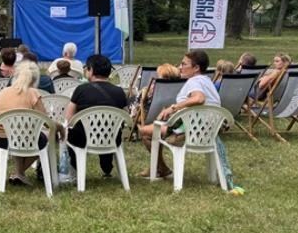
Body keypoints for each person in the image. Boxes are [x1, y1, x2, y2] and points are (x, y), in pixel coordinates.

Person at [139, 50, 220, 179]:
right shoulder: (207, 82)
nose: (180, 67)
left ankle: (161, 167)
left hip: (188, 132)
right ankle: (158, 167)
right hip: (208, 132)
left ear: (196, 68)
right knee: (157, 127)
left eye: (184, 64)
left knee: (144, 132)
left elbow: (199, 98)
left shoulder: (194, 82)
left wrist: (173, 108)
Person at [61, 54, 129, 184]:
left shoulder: (81, 90)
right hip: (112, 138)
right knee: (109, 127)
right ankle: (107, 168)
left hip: (83, 138)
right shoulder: (119, 92)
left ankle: (75, 171)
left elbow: (68, 118)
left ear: (91, 70)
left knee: (72, 133)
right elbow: (125, 116)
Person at [0, 61, 58, 187]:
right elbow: (46, 122)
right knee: (43, 141)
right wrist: (58, 126)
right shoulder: (33, 93)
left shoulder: (4, 91)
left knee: (21, 134)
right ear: (35, 79)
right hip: (23, 138)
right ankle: (19, 172)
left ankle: (19, 173)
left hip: (0, 137)